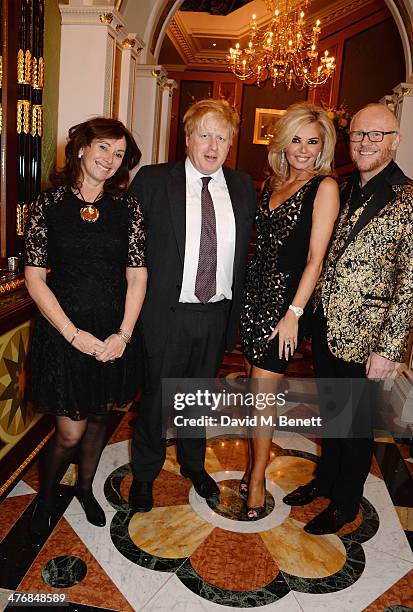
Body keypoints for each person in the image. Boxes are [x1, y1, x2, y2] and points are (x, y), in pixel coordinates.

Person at [284, 103, 413, 534]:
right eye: (358, 135)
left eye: (376, 135)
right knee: (331, 412)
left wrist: (389, 349)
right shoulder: (341, 186)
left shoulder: (408, 197)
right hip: (325, 325)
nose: (365, 143)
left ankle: (345, 502)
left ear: (394, 141)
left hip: (369, 336)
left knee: (356, 425)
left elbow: (409, 283)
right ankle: (324, 480)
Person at [128, 98, 256, 512]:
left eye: (222, 136)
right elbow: (127, 249)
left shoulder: (241, 186)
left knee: (198, 398)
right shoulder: (151, 180)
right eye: (205, 134)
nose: (213, 145)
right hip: (165, 314)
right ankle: (145, 474)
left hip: (216, 314)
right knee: (157, 399)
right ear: (187, 138)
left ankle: (193, 464)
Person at [24, 117, 147, 536]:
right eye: (103, 149)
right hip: (65, 331)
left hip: (113, 331)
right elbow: (35, 278)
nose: (110, 160)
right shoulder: (49, 205)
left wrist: (124, 334)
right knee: (70, 430)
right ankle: (45, 497)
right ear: (81, 149)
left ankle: (85, 488)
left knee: (98, 417)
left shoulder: (126, 207)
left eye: (118, 154)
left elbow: (137, 275)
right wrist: (71, 333)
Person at [239, 102, 340, 520]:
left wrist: (293, 314)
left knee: (263, 397)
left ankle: (258, 479)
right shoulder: (273, 183)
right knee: (252, 391)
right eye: (295, 139)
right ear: (283, 142)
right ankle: (252, 465)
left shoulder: (325, 187)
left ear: (323, 147)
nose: (302, 149)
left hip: (284, 304)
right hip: (253, 296)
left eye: (311, 141)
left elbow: (316, 259)